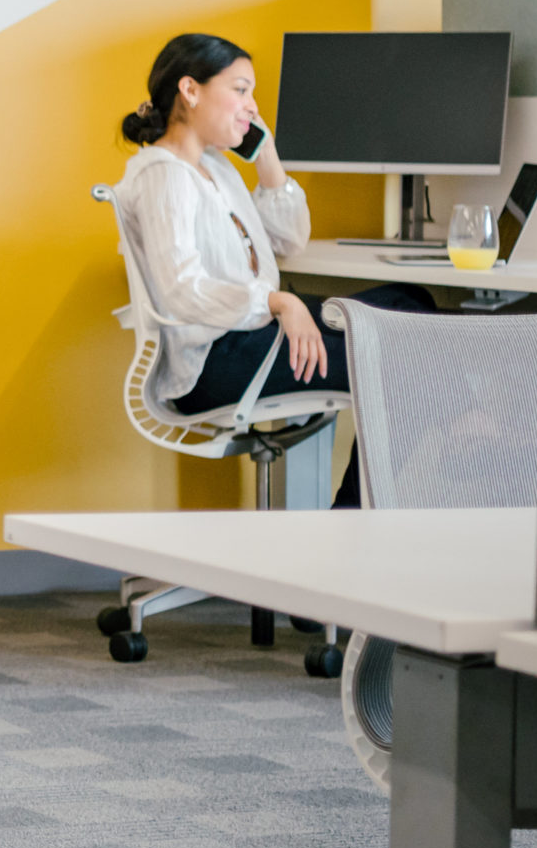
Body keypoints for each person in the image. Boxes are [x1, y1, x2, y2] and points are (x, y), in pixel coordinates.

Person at [114, 32, 430, 505]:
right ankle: (351, 524)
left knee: (412, 302)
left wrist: (265, 153)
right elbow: (181, 289)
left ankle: (352, 521)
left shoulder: (214, 167)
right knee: (405, 363)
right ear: (190, 90)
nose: (251, 105)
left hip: (250, 334)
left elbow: (289, 239)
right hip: (216, 362)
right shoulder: (164, 174)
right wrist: (279, 301)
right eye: (240, 90)